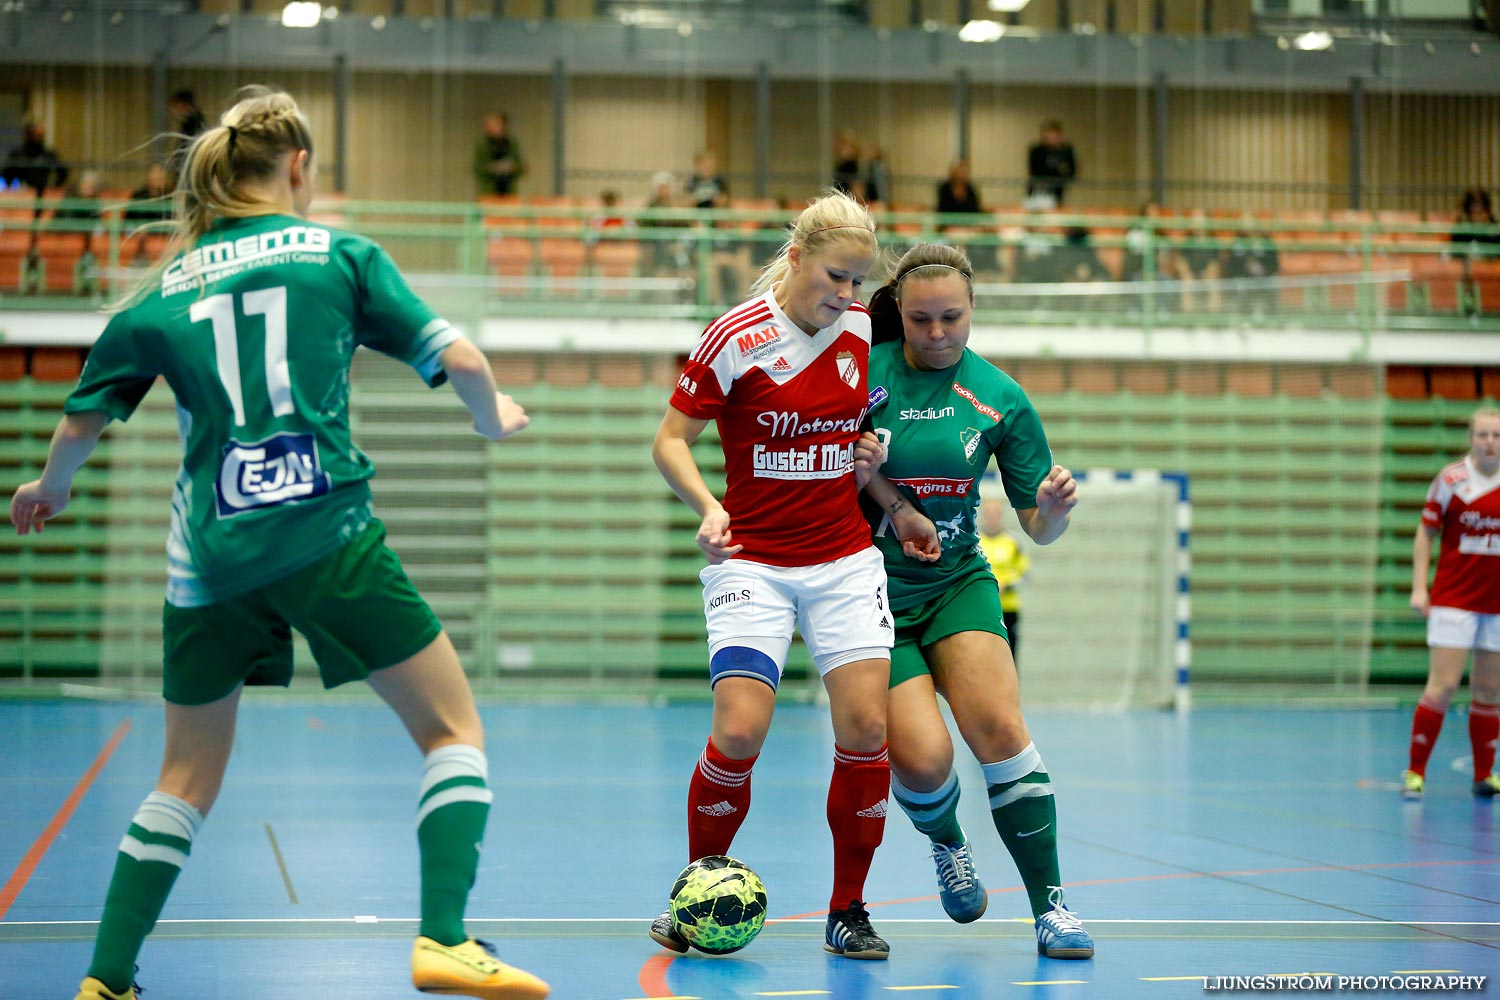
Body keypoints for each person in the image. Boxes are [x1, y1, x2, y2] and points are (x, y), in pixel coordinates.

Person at [8, 86, 548, 1000]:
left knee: (182, 776)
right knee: (451, 729)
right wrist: (491, 418)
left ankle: (104, 979)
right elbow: (458, 358)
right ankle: (443, 940)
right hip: (326, 533)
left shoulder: (160, 294)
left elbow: (76, 428)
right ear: (298, 167)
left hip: (208, 565)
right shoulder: (337, 254)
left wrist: (45, 492)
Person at [649, 190, 898, 960]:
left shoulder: (858, 329)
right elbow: (669, 441)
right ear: (796, 258)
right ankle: (697, 890)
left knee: (865, 729)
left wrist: (871, 456)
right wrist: (705, 506)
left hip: (844, 560)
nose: (849, 296)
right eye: (836, 276)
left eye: (858, 281)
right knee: (738, 731)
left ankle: (847, 910)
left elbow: (853, 422)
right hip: (751, 560)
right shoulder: (734, 334)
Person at [859, 241, 1094, 959]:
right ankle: (949, 842)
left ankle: (1050, 908)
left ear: (972, 313)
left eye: (951, 319)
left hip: (958, 583)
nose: (937, 335)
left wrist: (1052, 509)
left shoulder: (1000, 396)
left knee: (998, 727)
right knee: (925, 763)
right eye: (922, 320)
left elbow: (1037, 529)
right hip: (869, 596)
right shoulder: (858, 377)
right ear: (899, 311)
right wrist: (866, 479)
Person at [1403, 405, 1500, 801]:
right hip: (1454, 600)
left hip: (1495, 604)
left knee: (1489, 691)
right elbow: (1426, 533)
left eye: (1496, 435)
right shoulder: (1451, 480)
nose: (1490, 443)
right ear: (1471, 439)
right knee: (1442, 687)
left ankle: (1483, 775)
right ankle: (1415, 771)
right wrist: (1419, 587)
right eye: (1483, 435)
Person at [978, 498, 1029, 665]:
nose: (992, 517)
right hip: (982, 609)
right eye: (989, 514)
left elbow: (1025, 575)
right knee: (982, 657)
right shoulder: (975, 541)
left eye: (996, 514)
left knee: (1008, 658)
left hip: (1007, 608)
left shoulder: (1013, 542)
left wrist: (1006, 585)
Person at [2, 121, 69, 210]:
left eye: (40, 135)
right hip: (20, 195)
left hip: (41, 194)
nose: (37, 138)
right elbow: (6, 174)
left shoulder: (48, 154)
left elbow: (63, 173)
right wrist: (11, 189)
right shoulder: (17, 154)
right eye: (35, 134)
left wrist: (53, 187)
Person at [1026, 119, 1077, 208]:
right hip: (1038, 191)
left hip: (1057, 191)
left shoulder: (1066, 151)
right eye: (1047, 136)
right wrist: (1058, 168)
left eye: (1053, 136)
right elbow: (1035, 170)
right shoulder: (1036, 151)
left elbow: (1071, 171)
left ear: (1059, 136)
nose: (1050, 139)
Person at [473, 113, 525, 196]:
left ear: (503, 126)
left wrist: (511, 168)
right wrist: (492, 168)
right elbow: (476, 168)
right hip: (488, 192)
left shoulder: (512, 145)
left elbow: (522, 167)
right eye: (489, 125)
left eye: (496, 125)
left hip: (508, 192)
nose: (492, 128)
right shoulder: (481, 146)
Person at [832, 129, 861, 197]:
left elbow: (856, 185)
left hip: (847, 197)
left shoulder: (852, 163)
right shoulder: (841, 163)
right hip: (840, 195)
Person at [862, 142, 892, 207]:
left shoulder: (879, 167)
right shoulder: (870, 166)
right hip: (871, 201)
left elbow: (882, 186)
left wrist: (883, 202)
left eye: (870, 151)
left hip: (878, 202)